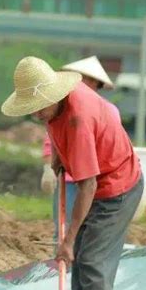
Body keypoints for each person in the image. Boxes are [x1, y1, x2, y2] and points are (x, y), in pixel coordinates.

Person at [2, 56, 143, 290]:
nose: (37, 114)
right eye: (33, 108)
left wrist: (68, 240)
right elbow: (56, 126)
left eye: (40, 107)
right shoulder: (56, 107)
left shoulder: (79, 117)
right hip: (97, 183)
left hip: (117, 188)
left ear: (53, 96)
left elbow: (88, 185)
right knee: (80, 261)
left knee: (92, 263)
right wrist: (58, 154)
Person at [40, 56, 117, 240]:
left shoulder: (109, 110)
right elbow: (51, 141)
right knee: (63, 230)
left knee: (89, 231)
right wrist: (48, 170)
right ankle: (62, 265)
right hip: (68, 181)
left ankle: (79, 266)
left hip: (96, 180)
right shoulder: (60, 110)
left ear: (92, 82)